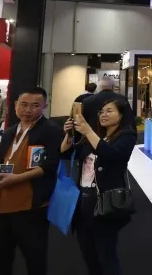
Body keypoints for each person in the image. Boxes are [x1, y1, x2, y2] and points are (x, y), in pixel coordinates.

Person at [0, 87, 62, 275]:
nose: (28, 110)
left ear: (44, 106)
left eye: (35, 105)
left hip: (31, 206)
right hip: (1, 207)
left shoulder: (51, 131)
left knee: (35, 260)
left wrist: (17, 179)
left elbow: (50, 165)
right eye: (24, 104)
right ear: (15, 105)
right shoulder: (9, 132)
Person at [62, 99, 137, 275]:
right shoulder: (95, 136)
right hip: (82, 200)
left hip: (105, 201)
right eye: (101, 112)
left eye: (109, 111)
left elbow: (112, 155)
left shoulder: (127, 136)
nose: (103, 115)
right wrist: (69, 135)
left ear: (121, 115)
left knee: (106, 254)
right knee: (88, 252)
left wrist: (87, 131)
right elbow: (66, 153)